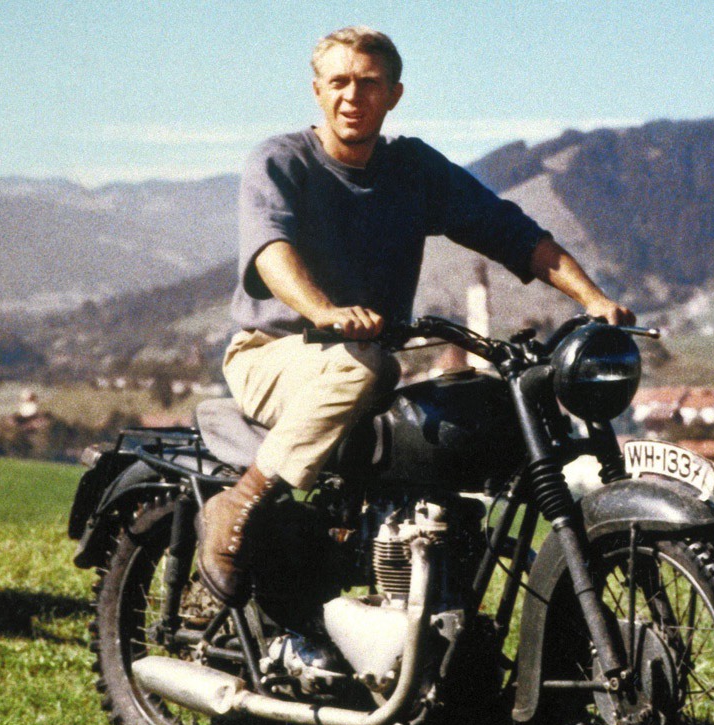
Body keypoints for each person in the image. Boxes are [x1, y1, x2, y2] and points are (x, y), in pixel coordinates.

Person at [197, 26, 634, 607]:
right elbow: (271, 251)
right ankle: (240, 502)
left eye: (370, 83)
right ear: (317, 91)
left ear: (394, 94)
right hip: (272, 353)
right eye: (340, 82)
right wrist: (325, 312)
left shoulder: (413, 169)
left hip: (362, 356)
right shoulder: (281, 162)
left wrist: (593, 299)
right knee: (366, 370)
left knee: (481, 411)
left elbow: (512, 231)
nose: (354, 96)